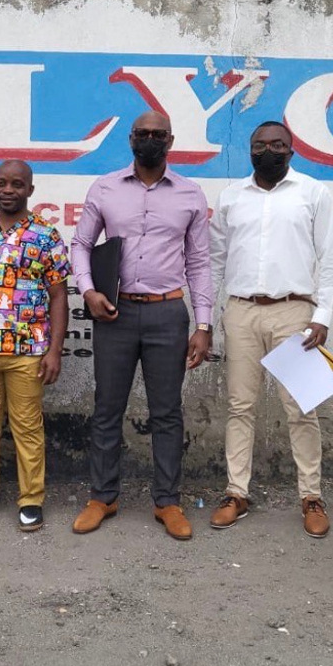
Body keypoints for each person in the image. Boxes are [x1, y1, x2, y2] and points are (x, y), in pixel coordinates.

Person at [69, 111, 213, 541]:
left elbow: (200, 263)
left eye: (158, 134)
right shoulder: (106, 187)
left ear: (171, 140)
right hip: (114, 312)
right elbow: (80, 244)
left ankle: (167, 501)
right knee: (107, 408)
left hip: (167, 314)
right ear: (131, 139)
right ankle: (103, 496)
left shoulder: (190, 194)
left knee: (167, 413)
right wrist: (88, 290)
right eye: (143, 133)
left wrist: (203, 325)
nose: (150, 139)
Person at [208, 121, 333, 538]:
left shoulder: (313, 193)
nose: (268, 151)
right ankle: (236, 492)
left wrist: (321, 318)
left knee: (302, 407)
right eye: (259, 145)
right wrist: (208, 321)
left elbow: (332, 259)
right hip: (242, 311)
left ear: (292, 149)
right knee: (239, 407)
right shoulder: (232, 197)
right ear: (249, 150)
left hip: (294, 312)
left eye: (277, 144)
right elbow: (215, 260)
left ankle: (311, 496)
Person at [0, 160, 70, 533]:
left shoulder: (45, 235)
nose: (8, 190)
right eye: (2, 183)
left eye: (17, 184)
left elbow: (58, 296)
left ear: (30, 190)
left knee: (27, 427)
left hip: (28, 351)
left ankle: (31, 499)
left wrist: (54, 350)